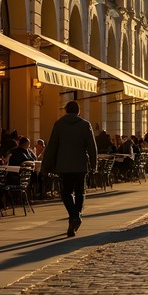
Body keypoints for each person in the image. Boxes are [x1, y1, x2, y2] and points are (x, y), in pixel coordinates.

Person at [42, 100, 98, 237]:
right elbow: (92, 146)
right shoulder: (85, 125)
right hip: (80, 165)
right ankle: (75, 217)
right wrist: (93, 164)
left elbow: (52, 146)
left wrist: (46, 166)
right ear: (78, 111)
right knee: (80, 192)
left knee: (66, 193)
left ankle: (73, 217)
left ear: (66, 110)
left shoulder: (59, 124)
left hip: (64, 165)